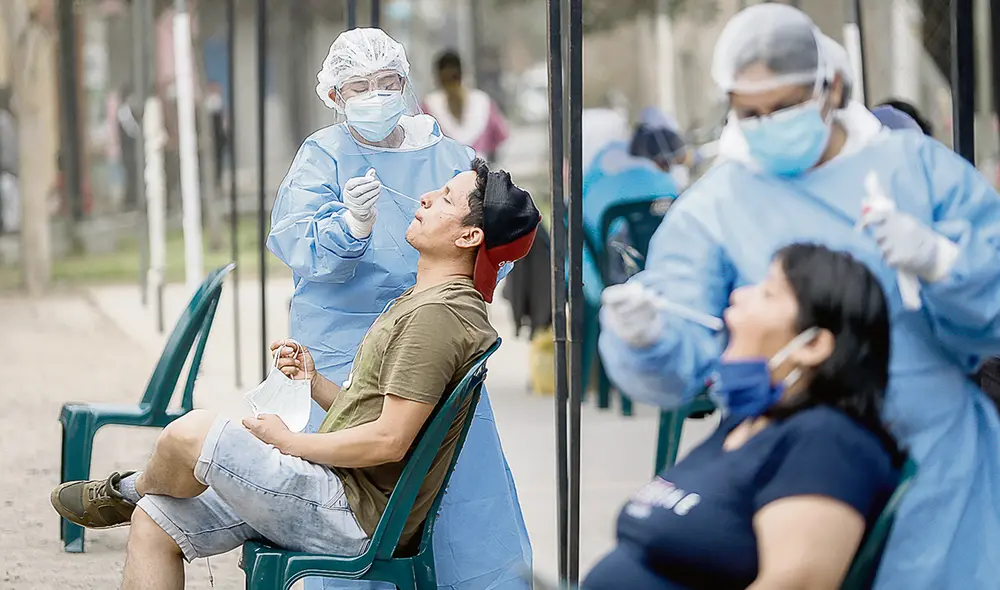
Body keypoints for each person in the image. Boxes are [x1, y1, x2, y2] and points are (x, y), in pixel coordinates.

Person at [598, 5, 1000, 588]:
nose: (765, 124)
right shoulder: (717, 206)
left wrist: (945, 265)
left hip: (938, 453)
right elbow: (683, 345)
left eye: (782, 107)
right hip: (794, 460)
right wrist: (649, 337)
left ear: (830, 87)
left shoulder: (917, 171)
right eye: (748, 112)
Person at [49, 159, 540, 590]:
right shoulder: (433, 304)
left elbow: (390, 441)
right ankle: (138, 497)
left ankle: (127, 488)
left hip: (352, 513)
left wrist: (287, 441)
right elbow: (371, 415)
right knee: (156, 521)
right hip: (336, 489)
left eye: (445, 198)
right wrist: (314, 381)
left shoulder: (439, 316)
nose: (426, 197)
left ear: (469, 236)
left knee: (191, 433)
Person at [266, 29, 531, 589]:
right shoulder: (323, 155)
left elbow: (493, 248)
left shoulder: (452, 156)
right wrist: (347, 228)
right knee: (353, 495)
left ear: (406, 85)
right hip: (343, 351)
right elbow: (296, 244)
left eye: (385, 83)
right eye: (358, 87)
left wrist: (449, 304)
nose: (373, 96)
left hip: (434, 346)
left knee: (456, 486)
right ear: (334, 95)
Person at [586, 244, 902, 590]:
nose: (738, 298)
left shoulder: (827, 442)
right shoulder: (745, 425)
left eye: (767, 293)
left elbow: (797, 584)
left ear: (812, 346)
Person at [421, 49, 510, 162]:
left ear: (437, 76)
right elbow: (500, 136)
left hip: (445, 175)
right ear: (462, 73)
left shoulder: (428, 105)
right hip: (479, 172)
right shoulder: (483, 101)